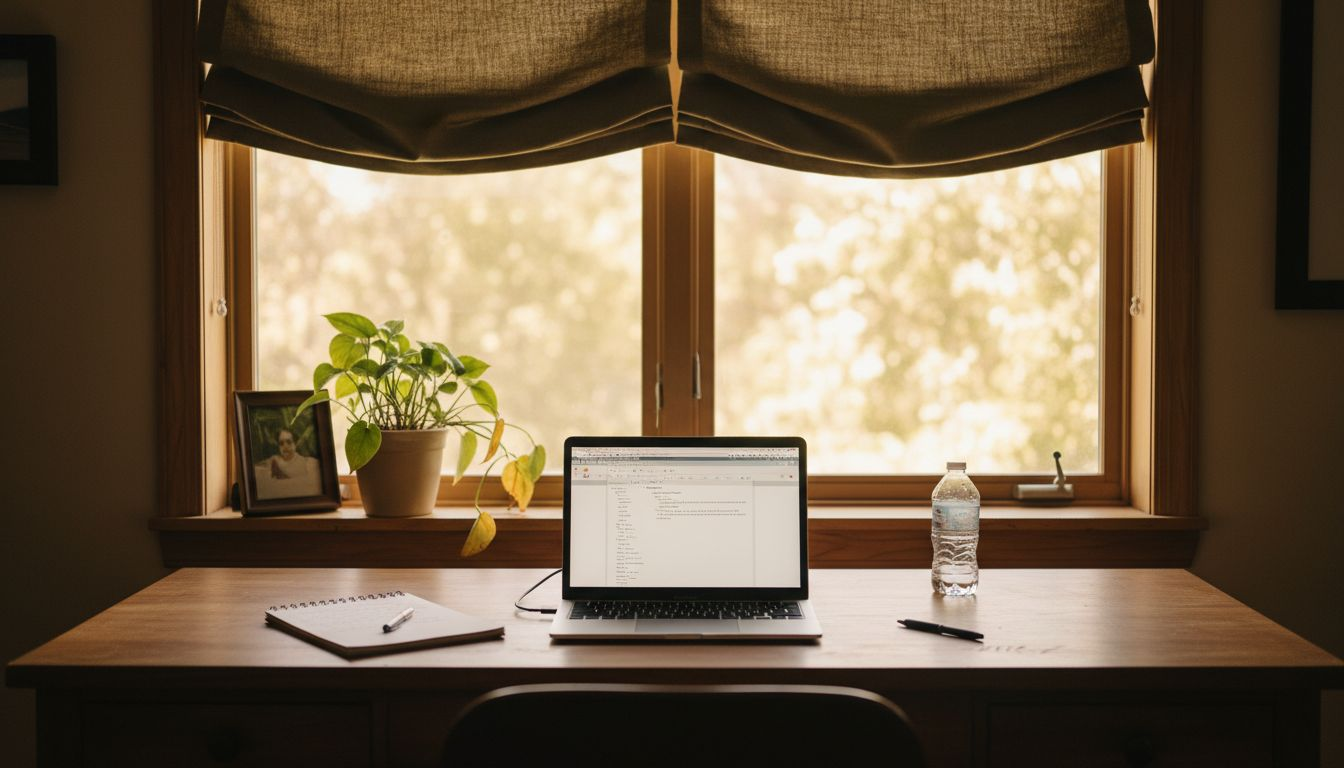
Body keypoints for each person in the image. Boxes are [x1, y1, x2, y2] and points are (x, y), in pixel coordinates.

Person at [253, 427, 322, 499]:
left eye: (289, 442)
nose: (285, 446)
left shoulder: (308, 463)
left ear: (295, 444)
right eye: (281, 443)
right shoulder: (274, 461)